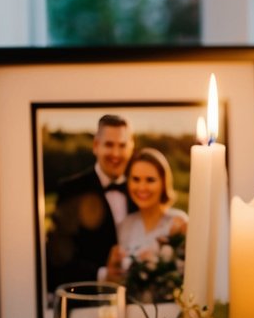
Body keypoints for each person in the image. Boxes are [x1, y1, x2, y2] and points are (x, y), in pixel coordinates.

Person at [46, 113, 136, 290]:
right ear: (96, 146)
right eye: (109, 145)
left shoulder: (140, 190)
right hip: (87, 302)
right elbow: (57, 260)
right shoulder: (71, 189)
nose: (116, 153)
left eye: (122, 145)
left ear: (131, 147)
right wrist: (103, 275)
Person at [106, 148, 188, 279]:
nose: (142, 187)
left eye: (150, 180)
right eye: (136, 179)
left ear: (163, 183)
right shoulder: (125, 225)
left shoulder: (179, 222)